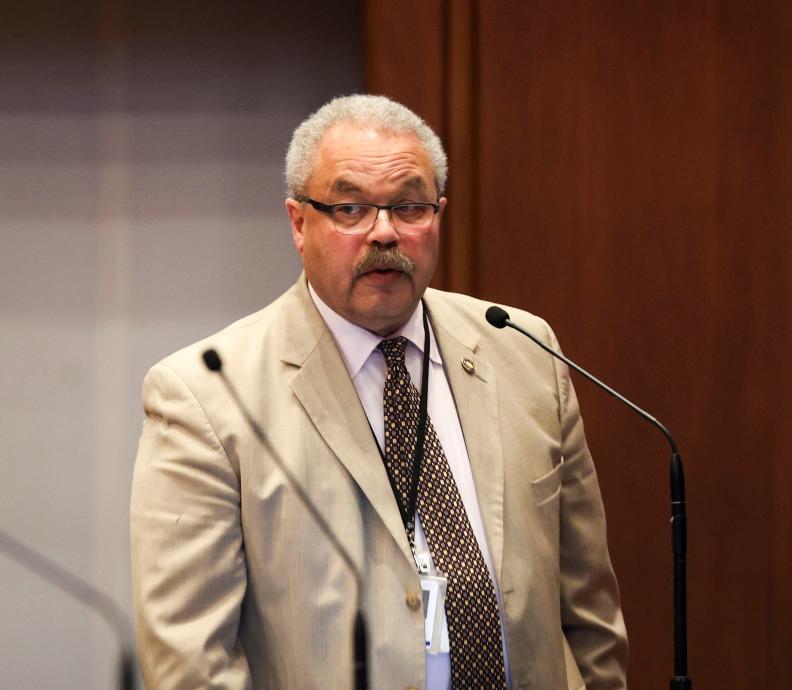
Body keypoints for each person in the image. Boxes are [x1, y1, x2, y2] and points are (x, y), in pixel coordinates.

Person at [130, 94, 627, 689]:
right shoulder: (205, 396)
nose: (384, 232)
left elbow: (589, 610)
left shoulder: (524, 352)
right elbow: (190, 665)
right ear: (297, 222)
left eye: (409, 206)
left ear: (438, 214)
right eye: (350, 209)